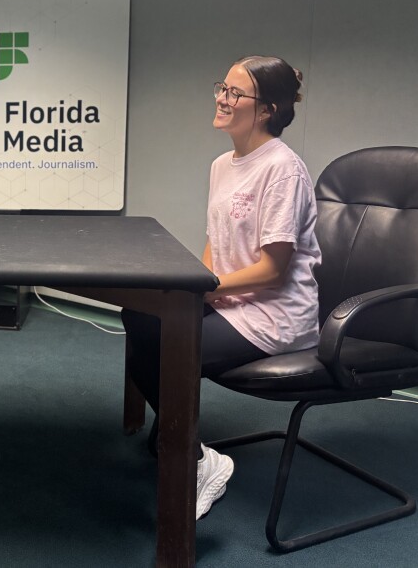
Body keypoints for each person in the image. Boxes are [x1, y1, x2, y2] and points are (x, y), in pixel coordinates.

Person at [122, 55, 321, 520]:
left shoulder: (282, 169)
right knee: (140, 318)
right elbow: (217, 242)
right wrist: (200, 286)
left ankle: (197, 461)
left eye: (234, 93)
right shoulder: (222, 164)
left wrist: (205, 294)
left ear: (267, 109)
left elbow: (274, 269)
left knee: (171, 349)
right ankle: (182, 437)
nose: (221, 98)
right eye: (221, 88)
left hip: (274, 315)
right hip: (230, 299)